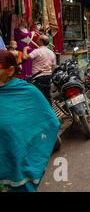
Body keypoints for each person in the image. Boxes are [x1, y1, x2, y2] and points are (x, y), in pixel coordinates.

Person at [0, 51, 60, 192]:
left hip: (17, 164)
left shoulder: (27, 92)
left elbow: (50, 123)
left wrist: (32, 158)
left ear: (10, 70)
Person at [22, 35, 56, 104]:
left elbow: (25, 57)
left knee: (39, 98)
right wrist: (49, 73)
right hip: (48, 77)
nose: (36, 41)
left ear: (41, 42)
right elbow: (53, 66)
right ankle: (49, 111)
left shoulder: (37, 51)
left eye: (38, 39)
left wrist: (25, 49)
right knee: (47, 97)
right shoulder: (52, 53)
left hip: (38, 78)